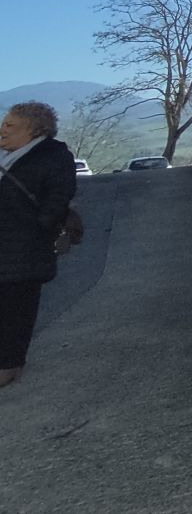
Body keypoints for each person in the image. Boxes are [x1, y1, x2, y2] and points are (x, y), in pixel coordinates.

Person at [0, 101, 77, 387]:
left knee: (16, 308)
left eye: (10, 125)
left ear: (33, 130)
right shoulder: (8, 157)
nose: (2, 130)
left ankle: (9, 365)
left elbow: (59, 196)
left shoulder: (52, 155)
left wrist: (39, 227)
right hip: (7, 243)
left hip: (24, 247)